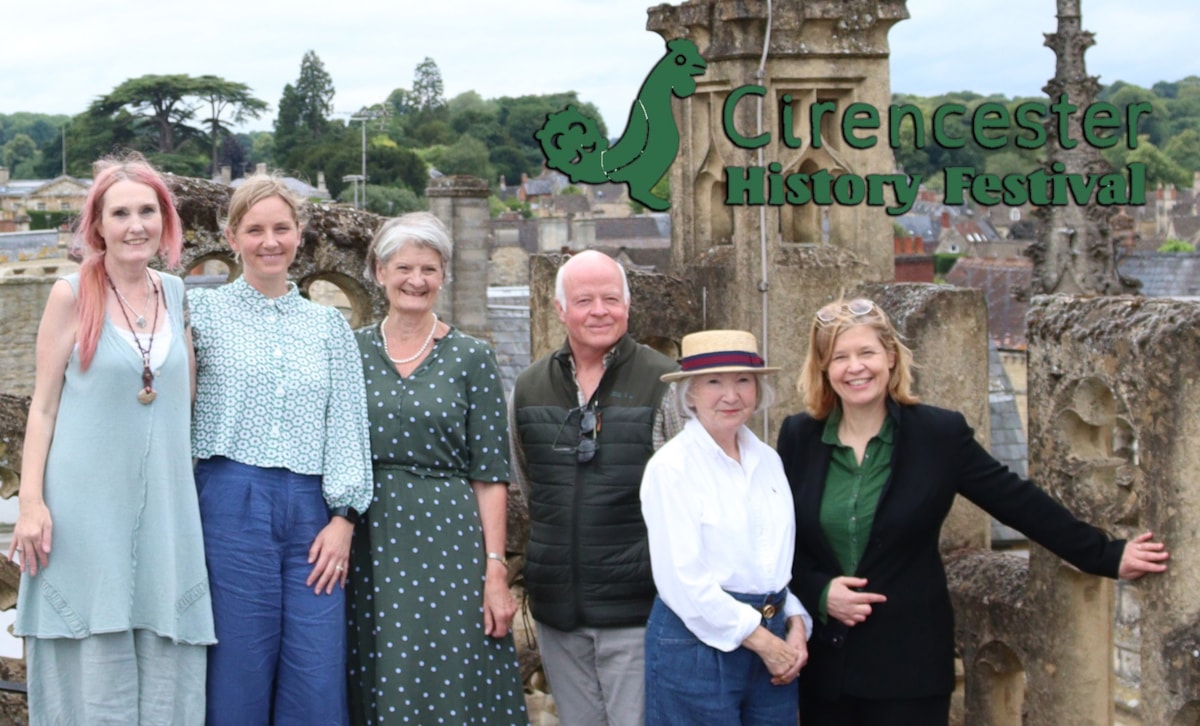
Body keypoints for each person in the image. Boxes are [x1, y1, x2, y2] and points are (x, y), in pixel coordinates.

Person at [777, 297, 1170, 726]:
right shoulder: (800, 437)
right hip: (826, 669)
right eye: (840, 357)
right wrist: (819, 590)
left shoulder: (939, 435)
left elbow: (1017, 501)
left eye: (867, 352)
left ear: (890, 356)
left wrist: (1107, 555)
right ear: (823, 368)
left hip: (908, 667)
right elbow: (780, 541)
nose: (856, 368)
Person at [9, 154, 215, 724]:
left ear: (166, 220)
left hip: (165, 513)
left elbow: (186, 400)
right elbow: (44, 408)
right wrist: (31, 504)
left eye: (147, 211)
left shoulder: (176, 293)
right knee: (91, 667)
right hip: (83, 512)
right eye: (120, 213)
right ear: (97, 225)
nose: (135, 225)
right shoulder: (70, 295)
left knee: (164, 655)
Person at [190, 175, 372, 725]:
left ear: (300, 235)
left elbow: (347, 423)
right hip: (229, 501)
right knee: (238, 666)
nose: (270, 241)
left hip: (314, 514)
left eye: (282, 228)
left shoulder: (327, 328)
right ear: (232, 236)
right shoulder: (201, 316)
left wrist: (343, 518)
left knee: (316, 672)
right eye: (255, 229)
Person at [346, 212, 528, 724]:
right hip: (368, 535)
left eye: (429, 269)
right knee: (377, 666)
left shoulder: (472, 357)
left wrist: (495, 569)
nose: (416, 281)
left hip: (449, 538)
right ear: (378, 272)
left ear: (444, 275)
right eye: (404, 267)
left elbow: (490, 474)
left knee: (451, 668)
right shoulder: (349, 350)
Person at [510, 249, 680, 726]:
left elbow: (686, 495)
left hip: (637, 605)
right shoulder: (529, 387)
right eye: (584, 300)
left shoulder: (664, 382)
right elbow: (528, 483)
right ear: (561, 309)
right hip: (557, 608)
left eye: (611, 298)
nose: (600, 310)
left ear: (628, 306)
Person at [641, 330, 812, 725]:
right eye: (714, 382)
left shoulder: (769, 461)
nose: (730, 395)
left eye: (742, 380)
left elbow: (774, 561)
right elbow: (684, 581)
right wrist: (764, 642)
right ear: (690, 393)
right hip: (695, 645)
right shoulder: (671, 468)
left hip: (772, 636)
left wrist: (796, 622)